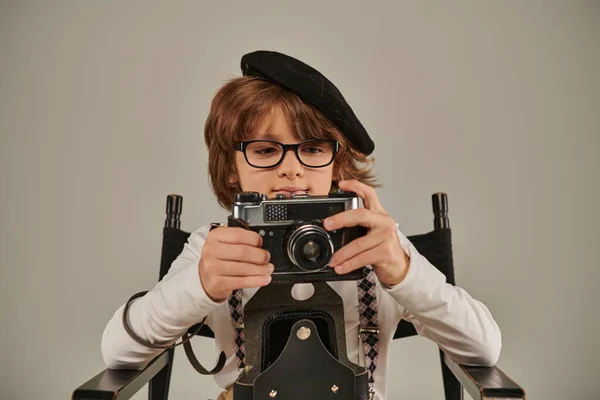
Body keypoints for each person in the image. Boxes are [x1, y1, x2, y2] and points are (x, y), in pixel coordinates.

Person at [101, 50, 501, 400]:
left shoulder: (373, 241)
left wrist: (403, 273)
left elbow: (485, 349)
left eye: (312, 148)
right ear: (231, 170)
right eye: (265, 150)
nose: (291, 170)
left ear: (335, 164)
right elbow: (116, 353)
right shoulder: (214, 246)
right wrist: (198, 286)